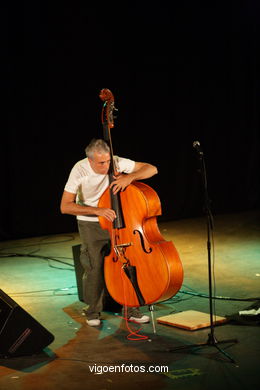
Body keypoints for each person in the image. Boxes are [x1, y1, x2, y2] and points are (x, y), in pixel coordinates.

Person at [60, 138, 158, 326]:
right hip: (91, 223)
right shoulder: (79, 170)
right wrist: (97, 210)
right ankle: (92, 312)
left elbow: (152, 168)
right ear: (90, 161)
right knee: (94, 266)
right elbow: (65, 206)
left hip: (118, 221)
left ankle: (132, 308)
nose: (107, 166)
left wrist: (130, 177)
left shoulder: (116, 162)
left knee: (127, 262)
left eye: (107, 161)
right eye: (101, 163)